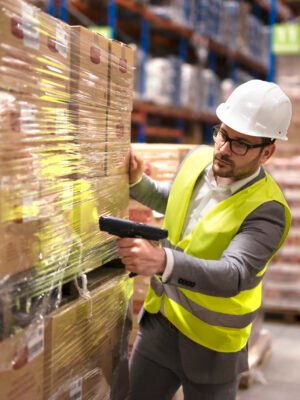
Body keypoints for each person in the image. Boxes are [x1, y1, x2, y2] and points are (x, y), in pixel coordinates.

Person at [118, 79, 292, 400]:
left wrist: (161, 261)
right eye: (222, 133)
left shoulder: (268, 210)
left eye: (240, 143)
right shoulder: (199, 159)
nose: (224, 149)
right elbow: (175, 201)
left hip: (213, 345)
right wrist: (138, 182)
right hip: (162, 323)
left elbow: (234, 274)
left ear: (267, 152)